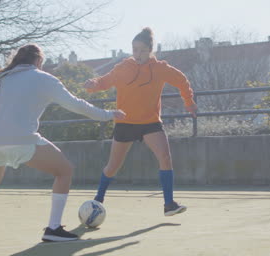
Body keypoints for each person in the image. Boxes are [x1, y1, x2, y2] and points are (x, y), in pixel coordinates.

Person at [0, 43, 125, 242]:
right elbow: (76, 104)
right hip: (23, 139)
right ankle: (53, 228)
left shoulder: (2, 83)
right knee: (64, 170)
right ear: (39, 60)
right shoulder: (44, 79)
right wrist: (107, 115)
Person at [84, 27, 197, 216]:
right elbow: (104, 81)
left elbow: (181, 80)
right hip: (125, 123)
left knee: (165, 157)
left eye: (142, 50)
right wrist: (92, 85)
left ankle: (169, 204)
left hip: (150, 123)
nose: (138, 54)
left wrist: (189, 101)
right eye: (134, 49)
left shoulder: (160, 69)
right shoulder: (123, 67)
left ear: (150, 50)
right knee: (112, 167)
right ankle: (98, 200)